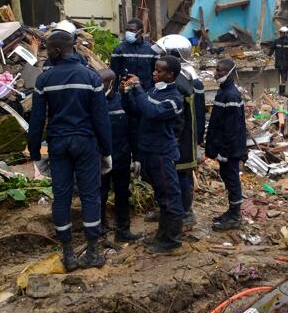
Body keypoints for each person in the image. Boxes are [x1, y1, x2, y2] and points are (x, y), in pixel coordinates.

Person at [28, 29, 113, 271]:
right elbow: (101, 119)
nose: (45, 54)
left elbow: (37, 120)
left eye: (47, 49)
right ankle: (93, 251)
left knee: (62, 196)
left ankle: (68, 254)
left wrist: (35, 152)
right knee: (90, 196)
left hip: (59, 144)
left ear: (56, 50)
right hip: (86, 144)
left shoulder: (44, 80)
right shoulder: (91, 77)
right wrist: (106, 151)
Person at [123, 55, 185, 253]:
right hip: (149, 150)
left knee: (170, 196)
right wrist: (125, 94)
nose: (154, 73)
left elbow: (152, 112)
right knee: (162, 195)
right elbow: (136, 111)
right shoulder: (154, 91)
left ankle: (172, 240)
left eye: (159, 71)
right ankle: (162, 235)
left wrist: (139, 89)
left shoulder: (174, 98)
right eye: (155, 69)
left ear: (170, 74)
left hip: (162, 152)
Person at [156, 34, 207, 228]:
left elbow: (198, 114)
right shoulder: (181, 78)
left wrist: (197, 138)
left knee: (183, 174)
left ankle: (186, 211)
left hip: (184, 137)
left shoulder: (189, 81)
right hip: (181, 136)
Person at [203, 57, 248, 231]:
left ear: (230, 73)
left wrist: (224, 151)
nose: (216, 73)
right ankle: (231, 211)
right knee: (228, 179)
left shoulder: (231, 95)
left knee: (232, 180)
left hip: (230, 149)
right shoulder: (223, 92)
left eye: (220, 70)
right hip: (226, 148)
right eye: (216, 69)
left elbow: (232, 128)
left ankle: (235, 216)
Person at [99, 69, 142, 243]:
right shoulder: (93, 102)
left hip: (122, 156)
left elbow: (134, 130)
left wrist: (137, 156)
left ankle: (123, 230)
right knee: (100, 193)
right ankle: (99, 229)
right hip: (101, 157)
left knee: (122, 193)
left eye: (102, 83)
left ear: (110, 83)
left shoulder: (122, 102)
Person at [111, 18, 159, 91]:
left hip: (146, 90)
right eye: (127, 30)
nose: (128, 33)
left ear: (141, 32)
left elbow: (156, 73)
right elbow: (114, 74)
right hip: (126, 90)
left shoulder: (151, 49)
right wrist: (115, 92)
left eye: (132, 30)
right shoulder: (119, 49)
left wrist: (153, 89)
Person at [269, 26, 288, 95]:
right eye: (282, 33)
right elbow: (271, 49)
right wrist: (268, 57)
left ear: (287, 33)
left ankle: (282, 91)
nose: (283, 34)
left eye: (284, 33)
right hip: (279, 62)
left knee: (284, 76)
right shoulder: (276, 41)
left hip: (286, 62)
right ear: (280, 33)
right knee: (282, 76)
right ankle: (281, 92)